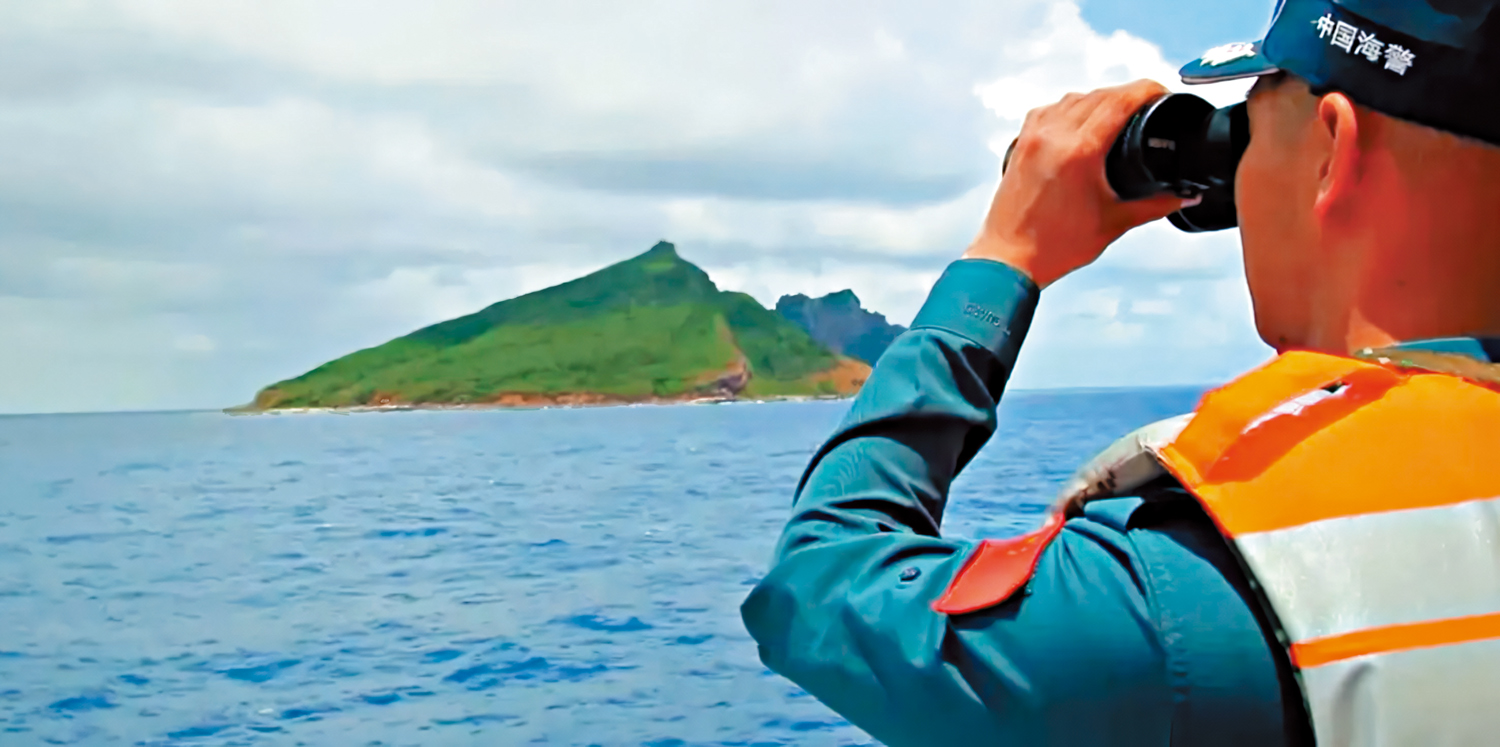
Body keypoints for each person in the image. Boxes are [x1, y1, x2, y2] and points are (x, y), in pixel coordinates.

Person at [740, 0, 1500, 744]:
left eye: (1252, 124)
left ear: (1333, 149)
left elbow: (817, 587)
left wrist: (1006, 255)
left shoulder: (1183, 590)